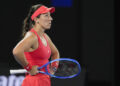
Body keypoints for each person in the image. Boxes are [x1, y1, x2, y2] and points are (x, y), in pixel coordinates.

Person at [12, 4, 60, 86]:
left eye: (50, 16)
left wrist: (53, 68)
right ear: (36, 19)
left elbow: (55, 53)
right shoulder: (32, 36)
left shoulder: (45, 37)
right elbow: (16, 51)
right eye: (46, 16)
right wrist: (29, 68)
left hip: (44, 81)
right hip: (33, 82)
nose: (51, 19)